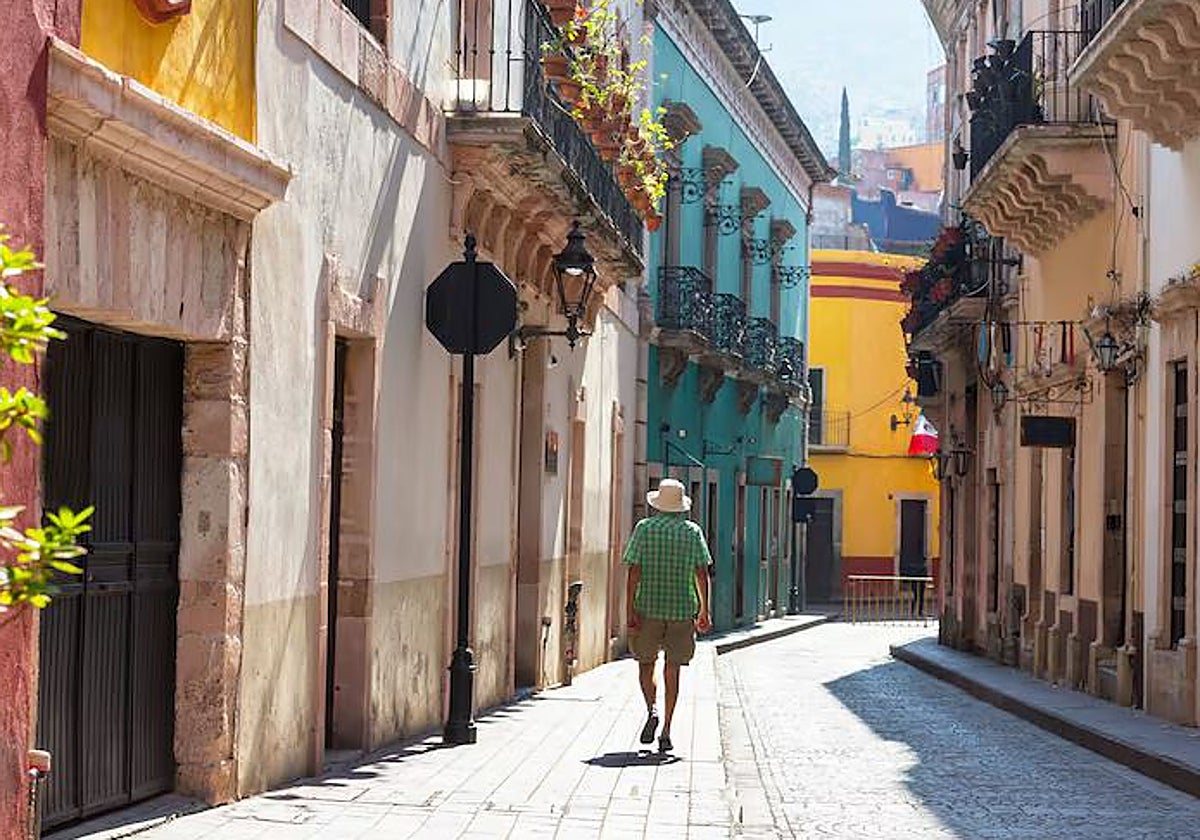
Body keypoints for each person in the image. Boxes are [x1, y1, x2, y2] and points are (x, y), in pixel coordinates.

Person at [623, 478, 713, 753]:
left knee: (645, 663)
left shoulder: (644, 529)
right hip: (681, 610)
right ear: (681, 506)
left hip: (647, 608)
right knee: (672, 668)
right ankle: (667, 730)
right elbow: (701, 573)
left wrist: (630, 609)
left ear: (658, 504)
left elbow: (633, 571)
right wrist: (704, 610)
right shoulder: (692, 532)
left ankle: (652, 708)